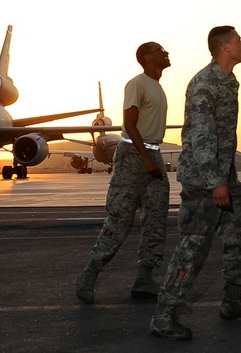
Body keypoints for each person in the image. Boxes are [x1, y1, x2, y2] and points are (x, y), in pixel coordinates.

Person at [149, 26, 241, 341]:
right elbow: (202, 135)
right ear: (224, 47)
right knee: (193, 247)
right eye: (238, 40)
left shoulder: (229, 81)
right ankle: (164, 315)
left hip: (224, 177)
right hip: (203, 181)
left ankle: (233, 301)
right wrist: (216, 182)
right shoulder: (205, 83)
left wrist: (225, 179)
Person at [76, 42, 172, 304]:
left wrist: (153, 159)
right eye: (160, 51)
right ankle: (90, 274)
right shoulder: (137, 83)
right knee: (120, 218)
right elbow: (129, 123)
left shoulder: (158, 87)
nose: (166, 54)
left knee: (156, 218)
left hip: (153, 154)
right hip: (133, 155)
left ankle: (144, 279)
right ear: (146, 58)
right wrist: (145, 158)